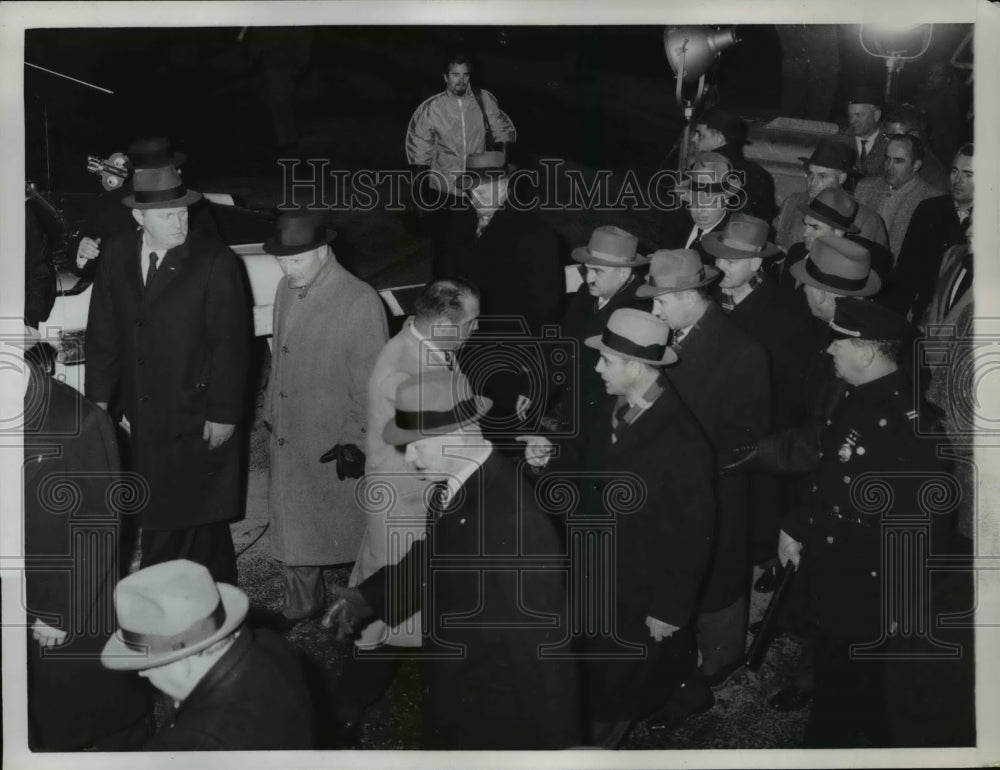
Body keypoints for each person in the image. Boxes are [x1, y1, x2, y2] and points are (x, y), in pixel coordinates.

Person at [324, 371, 580, 749]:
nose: (408, 458)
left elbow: (546, 653)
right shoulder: (461, 485)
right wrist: (368, 598)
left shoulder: (516, 523)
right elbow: (435, 556)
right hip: (455, 684)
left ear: (454, 437)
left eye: (415, 445)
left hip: (496, 714)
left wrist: (558, 748)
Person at [521, 309, 716, 747]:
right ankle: (687, 691)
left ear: (636, 366)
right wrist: (549, 458)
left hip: (636, 588)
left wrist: (670, 609)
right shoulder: (614, 408)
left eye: (605, 360)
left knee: (616, 686)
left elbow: (692, 538)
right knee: (610, 665)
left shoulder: (684, 444)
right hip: (593, 571)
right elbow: (584, 467)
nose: (596, 368)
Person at [777, 299, 949, 747]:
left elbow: (922, 529)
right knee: (833, 672)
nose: (830, 350)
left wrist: (901, 607)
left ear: (868, 352)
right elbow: (830, 473)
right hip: (836, 563)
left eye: (839, 342)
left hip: (870, 588)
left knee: (855, 695)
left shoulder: (912, 428)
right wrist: (797, 525)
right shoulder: (858, 394)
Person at [85, 164, 249, 583]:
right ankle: (217, 599)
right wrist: (99, 406)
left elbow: (231, 345)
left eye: (183, 213)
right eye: (166, 215)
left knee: (177, 516)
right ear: (139, 217)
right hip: (139, 411)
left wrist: (225, 414)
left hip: (194, 410)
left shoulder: (215, 261)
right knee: (188, 513)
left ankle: (168, 609)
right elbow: (103, 335)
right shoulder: (117, 254)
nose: (179, 222)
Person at [332, 278, 480, 743]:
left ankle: (353, 702)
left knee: (398, 599)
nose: (477, 328)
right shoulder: (404, 372)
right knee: (389, 606)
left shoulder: (427, 346)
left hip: (414, 496)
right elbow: (449, 444)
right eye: (471, 321)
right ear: (440, 323)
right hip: (407, 502)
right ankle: (345, 711)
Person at [637, 249, 771, 723]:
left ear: (691, 296)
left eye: (662, 302)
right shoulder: (675, 334)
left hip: (717, 485)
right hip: (676, 479)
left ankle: (721, 662)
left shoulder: (742, 351)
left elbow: (747, 439)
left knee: (719, 576)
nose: (655, 313)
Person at [23, 337, 154, 750]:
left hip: (67, 602)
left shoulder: (78, 421)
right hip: (22, 587)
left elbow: (98, 528)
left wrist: (59, 612)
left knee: (89, 702)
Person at [263, 209, 388, 629]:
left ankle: (372, 602)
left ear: (323, 250)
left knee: (348, 528)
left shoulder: (359, 300)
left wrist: (355, 439)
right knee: (292, 522)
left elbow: (373, 383)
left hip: (330, 436)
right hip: (289, 427)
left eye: (295, 260)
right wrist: (269, 411)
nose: (286, 268)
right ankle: (300, 603)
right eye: (281, 259)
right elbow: (278, 352)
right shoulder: (285, 287)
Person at [704, 215, 815, 592]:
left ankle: (766, 559)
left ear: (756, 264)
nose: (720, 268)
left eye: (730, 261)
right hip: (715, 421)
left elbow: (787, 392)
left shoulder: (784, 313)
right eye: (718, 259)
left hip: (761, 430)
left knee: (757, 508)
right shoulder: (712, 297)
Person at [101, 559, 314, 749]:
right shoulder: (271, 644)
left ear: (182, 663)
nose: (142, 674)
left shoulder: (189, 744)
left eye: (147, 666)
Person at [442, 150, 563, 428]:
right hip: (458, 352)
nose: (476, 195)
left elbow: (545, 310)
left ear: (507, 184)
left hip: (505, 360)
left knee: (499, 437)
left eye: (486, 188)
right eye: (472, 187)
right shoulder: (459, 221)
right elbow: (444, 279)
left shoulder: (536, 235)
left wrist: (527, 375)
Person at [406, 54, 516, 261]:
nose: (461, 80)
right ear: (446, 78)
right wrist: (420, 196)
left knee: (478, 245)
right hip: (444, 189)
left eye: (465, 75)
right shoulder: (431, 108)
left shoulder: (484, 99)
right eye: (455, 75)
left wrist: (501, 172)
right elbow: (419, 152)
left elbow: (502, 132)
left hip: (479, 187)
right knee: (444, 247)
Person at [546, 225, 652, 431]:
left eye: (598, 271)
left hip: (602, 413)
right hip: (572, 397)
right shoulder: (589, 291)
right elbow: (564, 340)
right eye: (587, 269)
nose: (588, 278)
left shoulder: (637, 309)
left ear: (623, 273)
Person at [883, 144, 973, 322]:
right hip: (923, 314)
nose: (957, 180)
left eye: (968, 175)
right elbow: (906, 271)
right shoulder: (930, 209)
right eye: (955, 171)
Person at [774, 187, 893, 299]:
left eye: (815, 227)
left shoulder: (843, 273)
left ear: (838, 232)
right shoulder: (796, 251)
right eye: (805, 224)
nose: (805, 233)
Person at [772, 139, 888, 251]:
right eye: (810, 173)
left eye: (822, 176)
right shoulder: (792, 202)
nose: (813, 182)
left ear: (841, 178)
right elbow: (776, 242)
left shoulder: (866, 221)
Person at [853, 133, 945, 262]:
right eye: (887, 158)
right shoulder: (865, 187)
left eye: (898, 161)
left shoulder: (932, 199)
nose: (889, 167)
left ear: (916, 165)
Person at [689, 106, 776, 221]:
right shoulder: (758, 173)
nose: (694, 139)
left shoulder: (704, 170)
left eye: (700, 134)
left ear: (719, 139)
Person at [659, 151, 741, 261]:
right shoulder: (674, 224)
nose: (700, 211)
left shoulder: (733, 239)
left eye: (708, 203)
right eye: (694, 202)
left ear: (725, 200)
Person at [882, 103, 949, 190]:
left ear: (914, 136)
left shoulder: (933, 173)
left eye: (894, 137)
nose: (887, 142)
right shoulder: (892, 156)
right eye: (886, 136)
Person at [841, 85, 889, 184]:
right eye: (850, 115)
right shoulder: (840, 141)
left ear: (876, 115)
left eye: (859, 115)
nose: (852, 121)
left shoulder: (891, 143)